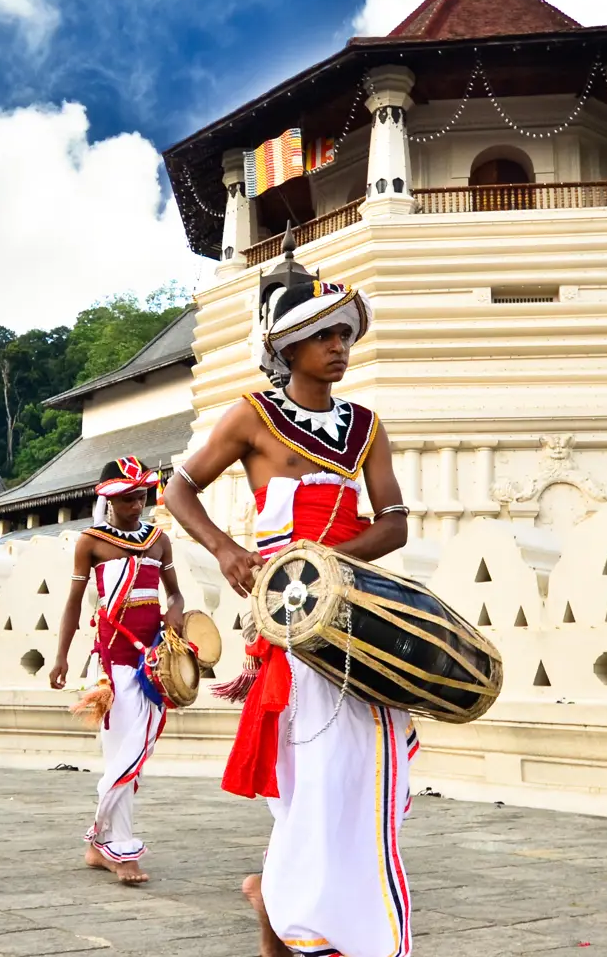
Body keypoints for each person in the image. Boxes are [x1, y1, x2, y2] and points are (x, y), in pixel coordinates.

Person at [163, 259, 413, 957]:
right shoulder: (252, 415)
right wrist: (223, 549)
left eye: (345, 335)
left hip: (351, 610)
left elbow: (394, 523)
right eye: (324, 335)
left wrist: (329, 570)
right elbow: (179, 489)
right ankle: (297, 920)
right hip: (286, 621)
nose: (340, 346)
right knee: (310, 772)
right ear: (287, 347)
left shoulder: (365, 425)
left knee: (364, 767)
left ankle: (297, 913)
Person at [46, 457, 186, 885]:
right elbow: (74, 604)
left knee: (134, 757)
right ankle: (119, 850)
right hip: (111, 660)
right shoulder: (90, 542)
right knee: (122, 753)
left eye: (141, 497)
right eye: (127, 499)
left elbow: (175, 595)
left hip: (152, 661)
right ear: (109, 499)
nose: (136, 505)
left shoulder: (159, 540)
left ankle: (97, 844)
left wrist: (175, 614)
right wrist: (61, 656)